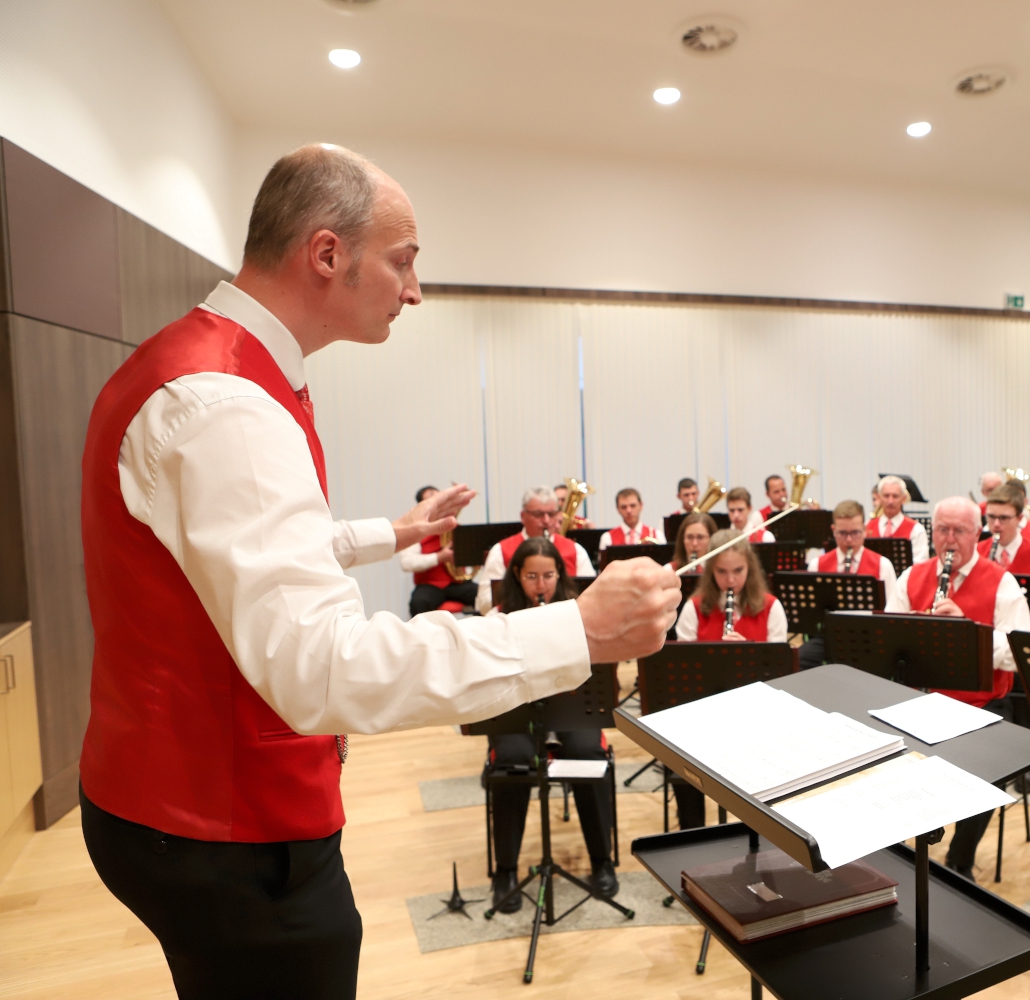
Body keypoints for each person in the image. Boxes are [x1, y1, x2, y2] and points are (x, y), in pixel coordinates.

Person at [76, 143, 680, 1000]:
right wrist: (576, 629)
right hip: (229, 832)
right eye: (403, 261)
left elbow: (222, 554)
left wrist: (385, 536)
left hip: (156, 799)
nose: (414, 290)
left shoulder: (195, 367)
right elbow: (322, 669)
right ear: (327, 254)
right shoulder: (229, 406)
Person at [887, 497, 1030, 881]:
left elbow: (1021, 653)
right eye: (942, 530)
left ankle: (959, 863)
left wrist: (967, 632)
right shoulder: (911, 578)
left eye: (960, 531)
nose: (949, 540)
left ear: (978, 533)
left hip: (982, 705)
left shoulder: (1003, 583)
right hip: (921, 701)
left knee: (990, 769)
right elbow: (888, 643)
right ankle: (899, 860)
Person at [484, 537, 616, 913]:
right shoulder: (499, 616)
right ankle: (506, 870)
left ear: (560, 575)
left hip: (570, 709)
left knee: (587, 754)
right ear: (516, 576)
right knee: (512, 760)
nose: (541, 586)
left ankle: (601, 860)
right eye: (532, 577)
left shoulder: (577, 612)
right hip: (518, 712)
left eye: (548, 576)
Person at [671, 530, 789, 829]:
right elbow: (684, 672)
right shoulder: (694, 608)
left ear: (750, 567)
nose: (731, 580)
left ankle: (762, 832)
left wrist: (746, 653)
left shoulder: (771, 607)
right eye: (722, 572)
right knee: (678, 753)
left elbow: (779, 675)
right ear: (711, 571)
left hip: (758, 717)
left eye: (738, 571)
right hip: (705, 713)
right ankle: (692, 834)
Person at [798, 501, 899, 668]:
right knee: (800, 659)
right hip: (830, 636)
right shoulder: (817, 564)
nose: (849, 540)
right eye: (842, 533)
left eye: (855, 533)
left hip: (869, 637)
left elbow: (891, 612)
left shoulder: (883, 565)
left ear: (865, 530)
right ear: (833, 531)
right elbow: (811, 613)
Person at [474, 487, 596, 614]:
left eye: (551, 514)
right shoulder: (500, 551)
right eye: (538, 514)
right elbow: (484, 603)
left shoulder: (576, 550)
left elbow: (592, 597)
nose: (546, 521)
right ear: (523, 516)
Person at [398, 485, 481, 616]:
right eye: (431, 498)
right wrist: (439, 557)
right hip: (430, 585)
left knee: (486, 596)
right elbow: (407, 563)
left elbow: (473, 560)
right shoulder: (414, 530)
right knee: (419, 603)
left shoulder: (456, 528)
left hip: (458, 583)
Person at [981, 485, 1030, 623]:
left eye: (1004, 518)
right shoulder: (977, 551)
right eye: (991, 517)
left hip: (1027, 635)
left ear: (1019, 518)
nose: (996, 524)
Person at [868, 474, 930, 563]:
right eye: (886, 496)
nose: (890, 501)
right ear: (879, 497)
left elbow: (920, 565)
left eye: (895, 496)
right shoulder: (867, 526)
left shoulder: (917, 530)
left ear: (904, 498)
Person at [597, 487, 660, 552]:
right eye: (623, 507)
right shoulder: (607, 538)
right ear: (618, 509)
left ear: (641, 506)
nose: (628, 510)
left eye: (633, 506)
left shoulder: (657, 535)